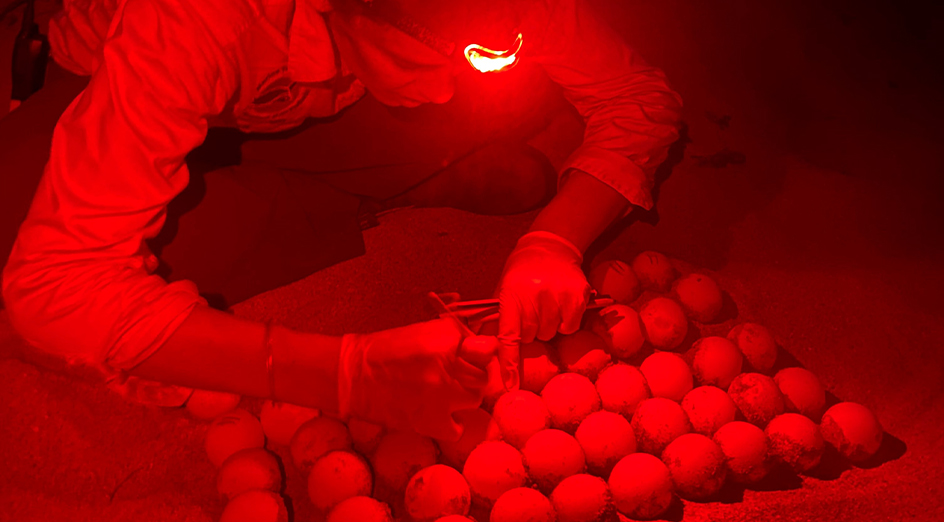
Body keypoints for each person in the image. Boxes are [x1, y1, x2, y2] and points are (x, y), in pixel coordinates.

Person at [0, 0, 682, 440]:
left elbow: (636, 95)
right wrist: (341, 373)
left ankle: (375, 171)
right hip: (137, 76)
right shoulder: (194, 16)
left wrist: (554, 237)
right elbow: (57, 284)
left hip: (334, 89)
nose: (476, 60)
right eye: (470, 47)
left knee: (517, 92)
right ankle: (362, 191)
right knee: (22, 233)